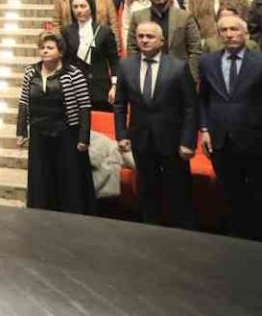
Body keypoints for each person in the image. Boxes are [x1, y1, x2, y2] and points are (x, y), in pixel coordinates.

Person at [112, 21, 197, 229]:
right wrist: (121, 134)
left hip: (172, 141)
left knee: (178, 192)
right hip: (141, 139)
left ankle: (182, 235)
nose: (144, 40)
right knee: (147, 191)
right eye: (140, 36)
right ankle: (150, 233)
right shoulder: (126, 66)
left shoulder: (178, 67)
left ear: (161, 41)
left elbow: (190, 107)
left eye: (150, 36)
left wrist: (188, 141)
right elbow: (120, 104)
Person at [197, 13, 262, 239]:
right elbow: (203, 98)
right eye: (224, 30)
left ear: (245, 33)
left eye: (234, 29)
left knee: (255, 193)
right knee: (229, 193)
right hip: (220, 139)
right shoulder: (207, 62)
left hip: (254, 138)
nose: (229, 34)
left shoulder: (259, 61)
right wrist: (204, 128)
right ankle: (234, 239)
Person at [15, 31, 94, 214]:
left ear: (61, 51)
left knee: (68, 180)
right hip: (39, 133)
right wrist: (21, 131)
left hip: (67, 134)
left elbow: (84, 106)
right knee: (41, 179)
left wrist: (84, 137)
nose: (44, 51)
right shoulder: (30, 72)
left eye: (50, 48)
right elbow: (24, 101)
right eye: (42, 48)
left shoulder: (73, 74)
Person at [62, 0, 118, 112]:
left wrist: (114, 85)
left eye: (83, 6)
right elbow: (64, 60)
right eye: (75, 7)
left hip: (100, 88)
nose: (79, 10)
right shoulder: (67, 32)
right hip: (75, 88)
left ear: (91, 8)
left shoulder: (104, 31)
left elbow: (114, 61)